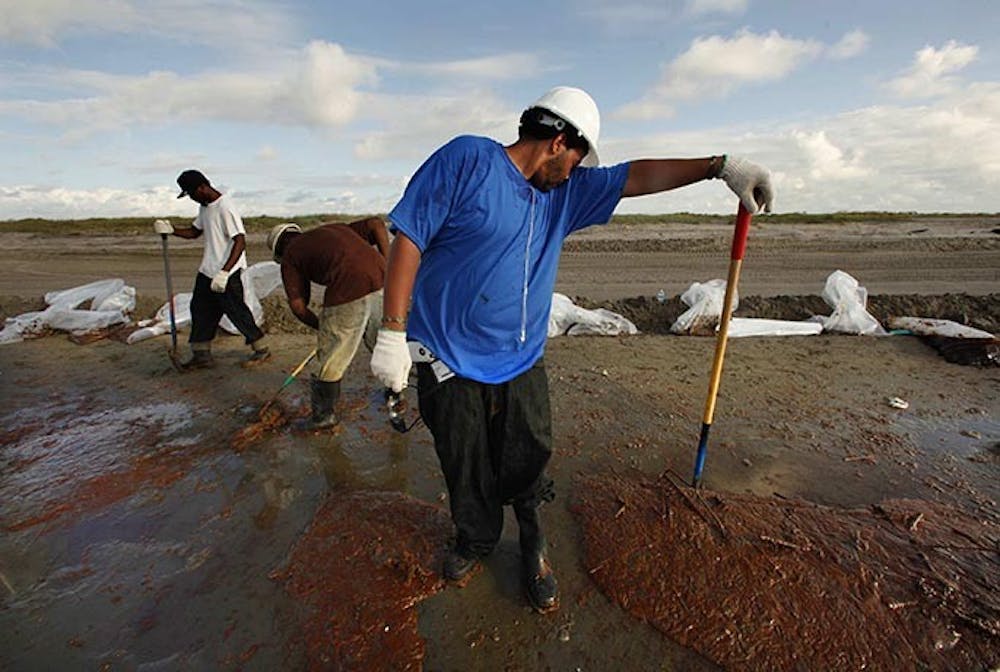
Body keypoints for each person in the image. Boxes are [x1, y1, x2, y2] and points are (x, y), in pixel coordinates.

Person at [369, 85, 774, 614]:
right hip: (446, 359)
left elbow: (635, 176)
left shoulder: (564, 194)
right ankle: (476, 539)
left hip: (519, 361)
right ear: (560, 142)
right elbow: (411, 238)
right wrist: (392, 333)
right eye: (579, 157)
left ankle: (533, 543)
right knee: (463, 462)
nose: (579, 170)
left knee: (527, 460)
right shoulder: (468, 159)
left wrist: (721, 167)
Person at [267, 218, 389, 428]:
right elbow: (376, 224)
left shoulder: (290, 257)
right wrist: (389, 264)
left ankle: (323, 417)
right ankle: (396, 393)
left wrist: (324, 331)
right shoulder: (334, 229)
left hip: (348, 285)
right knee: (383, 344)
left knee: (330, 358)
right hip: (381, 279)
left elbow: (298, 307)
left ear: (280, 249)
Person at [153, 169, 270, 369]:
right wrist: (172, 230)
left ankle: (261, 349)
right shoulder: (205, 207)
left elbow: (240, 241)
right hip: (207, 270)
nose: (191, 198)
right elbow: (194, 232)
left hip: (228, 273)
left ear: (202, 187)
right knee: (200, 310)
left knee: (237, 312)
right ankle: (201, 355)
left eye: (191, 194)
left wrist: (225, 272)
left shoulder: (225, 206)